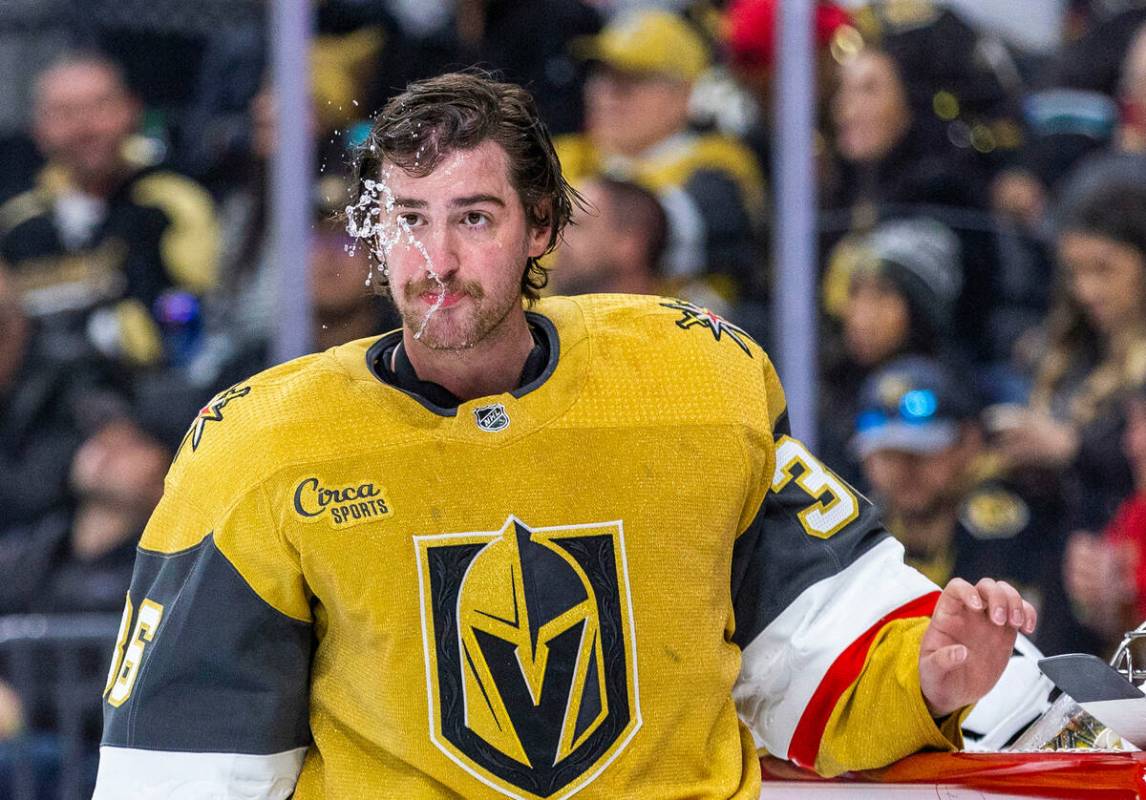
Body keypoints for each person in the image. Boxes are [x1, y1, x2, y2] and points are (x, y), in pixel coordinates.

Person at [94, 72, 1036, 800]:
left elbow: (811, 650)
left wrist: (928, 675)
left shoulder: (693, 380)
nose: (437, 261)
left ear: (541, 225)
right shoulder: (260, 442)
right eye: (408, 220)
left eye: (474, 217)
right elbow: (186, 762)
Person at [0, 52, 219, 369]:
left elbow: (201, 306)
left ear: (131, 110)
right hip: (36, 400)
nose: (85, 127)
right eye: (65, 113)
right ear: (38, 127)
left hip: (151, 388)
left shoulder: (171, 201)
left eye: (99, 107)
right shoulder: (17, 222)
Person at [855, 356, 1083, 656]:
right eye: (887, 455)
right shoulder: (856, 536)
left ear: (969, 443)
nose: (903, 470)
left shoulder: (1007, 525)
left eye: (921, 453)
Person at [554, 9, 766, 301]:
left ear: (684, 92)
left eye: (630, 81)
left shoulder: (717, 162)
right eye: (601, 76)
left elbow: (686, 233)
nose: (607, 94)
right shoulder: (559, 155)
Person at [1064, 385, 1146, 646]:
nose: (1134, 445)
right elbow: (1116, 631)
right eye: (1134, 425)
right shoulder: (1134, 513)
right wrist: (1100, 603)